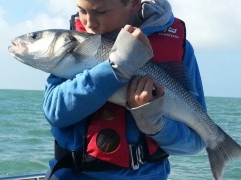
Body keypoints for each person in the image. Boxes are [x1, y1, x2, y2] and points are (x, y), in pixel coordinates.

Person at [43, 0, 206, 179]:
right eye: (82, 10)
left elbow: (196, 141)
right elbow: (55, 113)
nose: (89, 23)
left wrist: (154, 123)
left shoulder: (180, 48)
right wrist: (115, 68)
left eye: (101, 12)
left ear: (134, 3)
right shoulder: (72, 44)